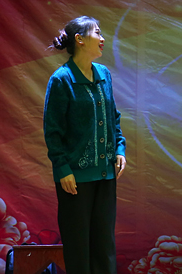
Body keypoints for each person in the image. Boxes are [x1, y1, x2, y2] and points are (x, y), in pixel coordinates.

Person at [44, 16, 127, 274]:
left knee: (104, 249)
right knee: (78, 250)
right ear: (79, 39)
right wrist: (62, 169)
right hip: (74, 181)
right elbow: (53, 131)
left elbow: (113, 117)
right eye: (97, 33)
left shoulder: (104, 75)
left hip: (106, 176)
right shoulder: (61, 80)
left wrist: (119, 148)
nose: (103, 39)